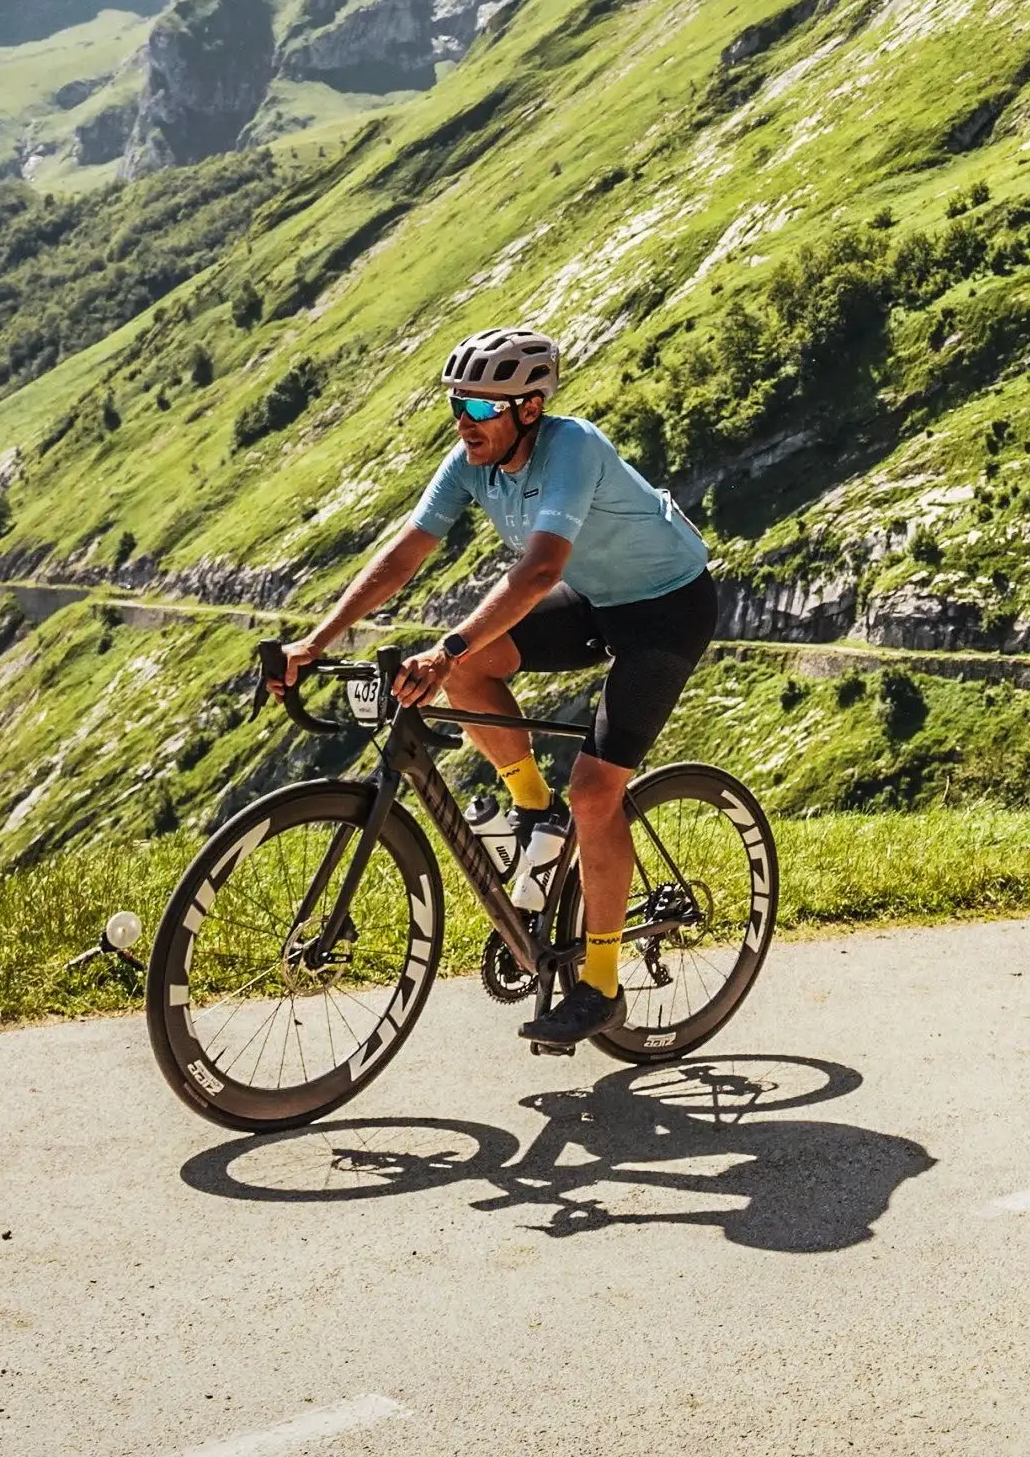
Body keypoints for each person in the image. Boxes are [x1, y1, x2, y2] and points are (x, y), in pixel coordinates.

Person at [272, 325, 715, 1051]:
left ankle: (600, 986)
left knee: (597, 792)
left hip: (666, 609)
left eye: (481, 410)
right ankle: (533, 811)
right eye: (458, 407)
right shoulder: (469, 462)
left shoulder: (573, 448)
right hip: (599, 598)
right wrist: (314, 643)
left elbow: (539, 571)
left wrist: (443, 651)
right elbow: (403, 556)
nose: (464, 424)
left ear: (529, 410)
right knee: (477, 667)